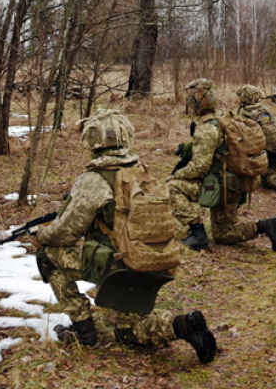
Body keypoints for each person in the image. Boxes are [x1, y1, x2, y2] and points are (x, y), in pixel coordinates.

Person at [34, 109, 217, 362]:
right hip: (155, 262)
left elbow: (65, 234)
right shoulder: (140, 170)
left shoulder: (95, 179)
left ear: (93, 140)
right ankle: (183, 326)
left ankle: (84, 332)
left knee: (47, 256)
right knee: (129, 332)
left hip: (123, 266)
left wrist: (41, 235)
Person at [168, 79, 276, 252]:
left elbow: (200, 167)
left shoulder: (206, 127)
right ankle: (266, 226)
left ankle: (197, 234)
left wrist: (176, 175)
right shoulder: (220, 120)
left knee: (172, 187)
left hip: (222, 186)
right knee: (223, 233)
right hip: (234, 183)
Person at [236, 84, 276, 193]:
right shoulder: (266, 110)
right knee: (270, 170)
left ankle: (268, 180)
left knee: (263, 178)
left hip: (263, 150)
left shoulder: (245, 113)